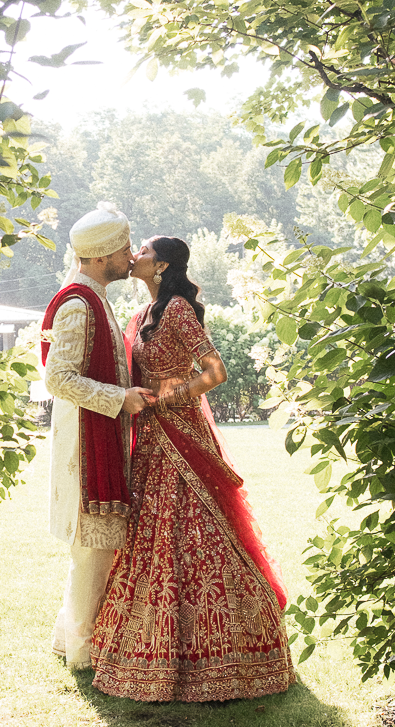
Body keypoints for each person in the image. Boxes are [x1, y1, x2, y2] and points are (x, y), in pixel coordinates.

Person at [90, 236, 294, 703]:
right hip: (151, 442)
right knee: (153, 537)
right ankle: (150, 648)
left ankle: (232, 654)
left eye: (140, 249)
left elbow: (215, 372)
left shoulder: (178, 309)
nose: (132, 254)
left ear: (160, 264)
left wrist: (169, 397)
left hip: (182, 435)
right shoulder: (142, 316)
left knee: (199, 535)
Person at [41, 203, 153, 669]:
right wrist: (119, 398)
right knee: (91, 551)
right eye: (124, 250)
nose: (130, 257)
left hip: (95, 437)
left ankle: (69, 642)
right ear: (102, 254)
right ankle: (84, 657)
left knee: (93, 552)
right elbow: (58, 378)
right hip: (85, 448)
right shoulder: (77, 303)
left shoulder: (93, 296)